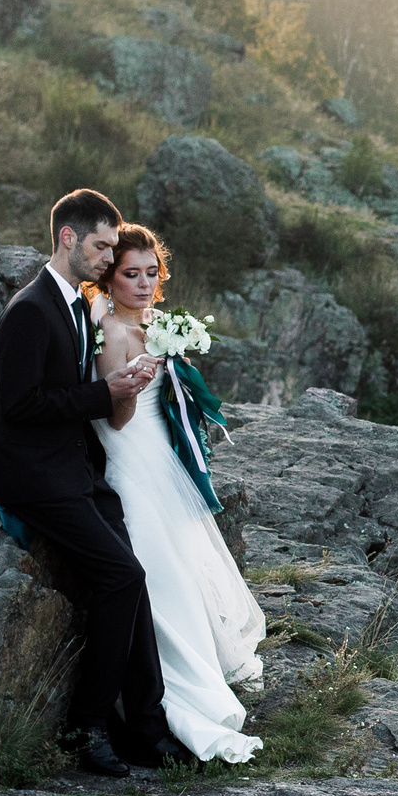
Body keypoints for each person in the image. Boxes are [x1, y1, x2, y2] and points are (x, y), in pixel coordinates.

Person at [0, 189, 185, 777]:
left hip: (75, 469)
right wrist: (108, 394)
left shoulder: (73, 304)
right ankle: (87, 726)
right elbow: (16, 407)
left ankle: (145, 726)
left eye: (112, 248)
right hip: (34, 478)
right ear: (67, 238)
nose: (106, 259)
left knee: (132, 571)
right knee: (122, 576)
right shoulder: (30, 309)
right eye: (101, 247)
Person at [88, 224, 266, 763]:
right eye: (129, 274)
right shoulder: (112, 333)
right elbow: (115, 420)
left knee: (186, 568)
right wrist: (134, 383)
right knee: (156, 569)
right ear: (110, 277)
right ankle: (162, 700)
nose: (142, 285)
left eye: (150, 274)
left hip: (163, 459)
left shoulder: (157, 324)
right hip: (129, 459)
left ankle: (199, 674)